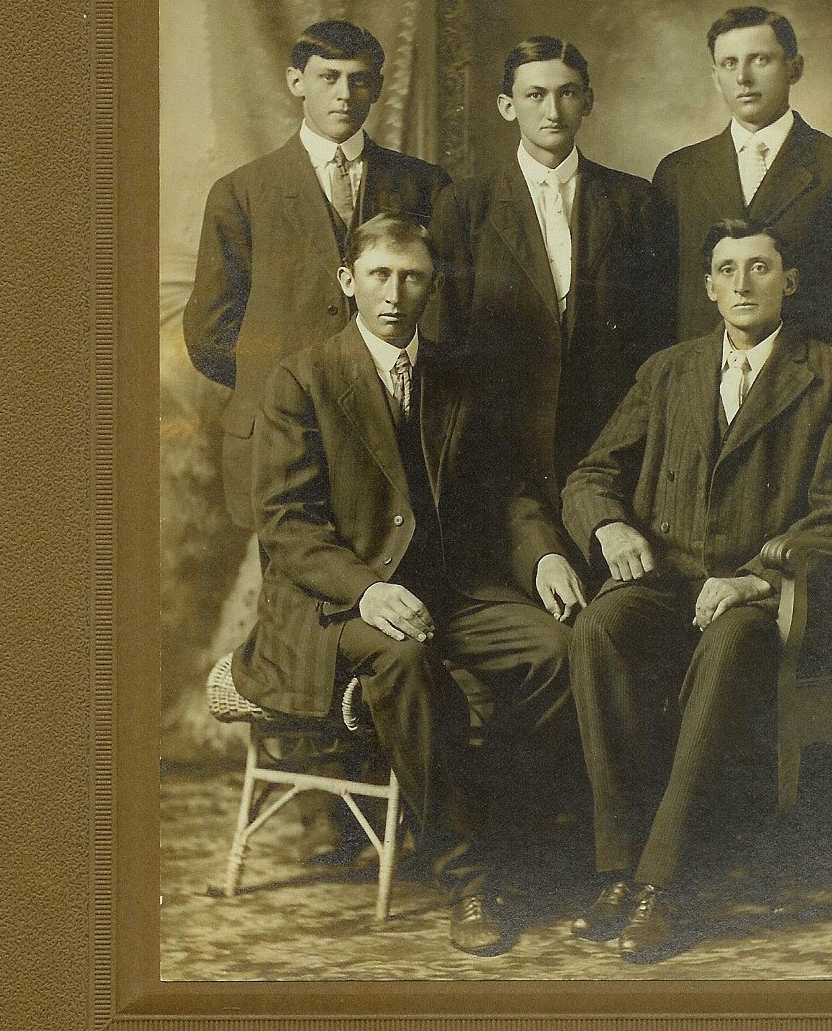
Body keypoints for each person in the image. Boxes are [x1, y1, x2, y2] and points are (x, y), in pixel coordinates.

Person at [231, 214, 588, 955]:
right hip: (332, 604)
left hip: (446, 590)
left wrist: (545, 557)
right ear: (348, 281)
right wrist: (365, 590)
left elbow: (507, 492)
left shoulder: (457, 375)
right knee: (403, 656)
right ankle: (468, 878)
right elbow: (287, 524)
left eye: (412, 277)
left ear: (431, 286)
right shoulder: (303, 378)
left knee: (554, 647)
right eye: (379, 275)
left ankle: (513, 839)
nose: (394, 293)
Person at [561, 220, 832, 962]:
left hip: (770, 594)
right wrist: (608, 526)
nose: (742, 284)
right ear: (707, 286)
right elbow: (592, 473)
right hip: (670, 579)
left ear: (788, 281)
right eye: (727, 269)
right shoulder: (669, 370)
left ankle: (660, 884)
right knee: (601, 625)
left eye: (759, 267)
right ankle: (617, 868)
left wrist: (751, 580)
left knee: (732, 639)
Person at [184, 19, 451, 528]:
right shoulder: (241, 192)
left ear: (377, 88)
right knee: (294, 570)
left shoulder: (423, 184)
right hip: (283, 438)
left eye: (359, 79)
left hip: (394, 431)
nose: (344, 94)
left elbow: (444, 307)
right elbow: (208, 333)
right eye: (328, 77)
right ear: (296, 82)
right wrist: (279, 386)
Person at [432, 36, 675, 506]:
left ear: (588, 101)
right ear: (507, 106)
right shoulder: (465, 205)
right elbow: (447, 334)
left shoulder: (633, 201)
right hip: (501, 442)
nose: (553, 111)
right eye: (535, 95)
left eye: (567, 93)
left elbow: (655, 333)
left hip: (608, 436)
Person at [652, 7, 832, 379]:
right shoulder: (678, 173)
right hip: (700, 390)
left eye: (760, 60)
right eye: (729, 63)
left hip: (808, 393)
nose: (743, 77)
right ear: (716, 77)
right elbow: (656, 305)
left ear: (794, 68)